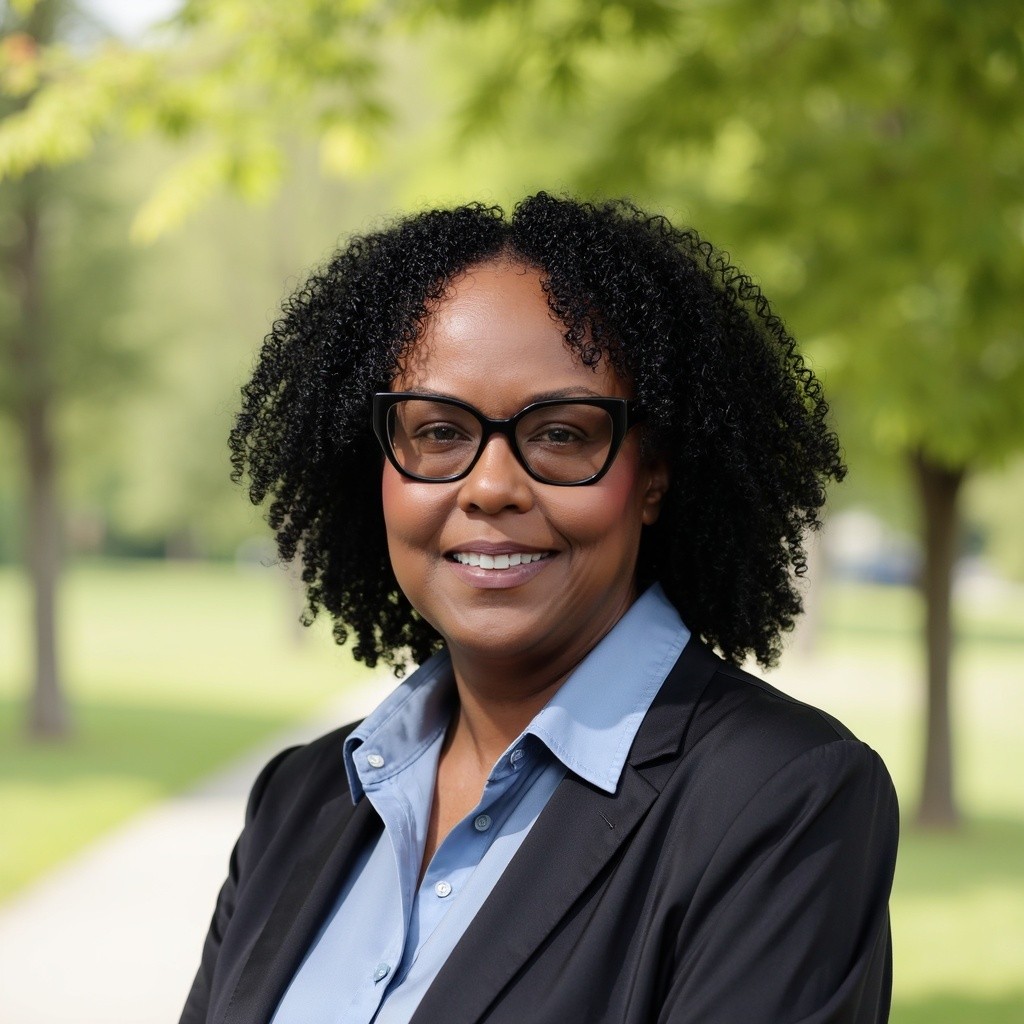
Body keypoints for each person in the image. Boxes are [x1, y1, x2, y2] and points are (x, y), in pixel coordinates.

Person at [180, 193, 898, 1024]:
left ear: (654, 474)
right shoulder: (299, 800)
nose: (490, 487)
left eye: (561, 433)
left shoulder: (781, 797)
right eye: (439, 432)